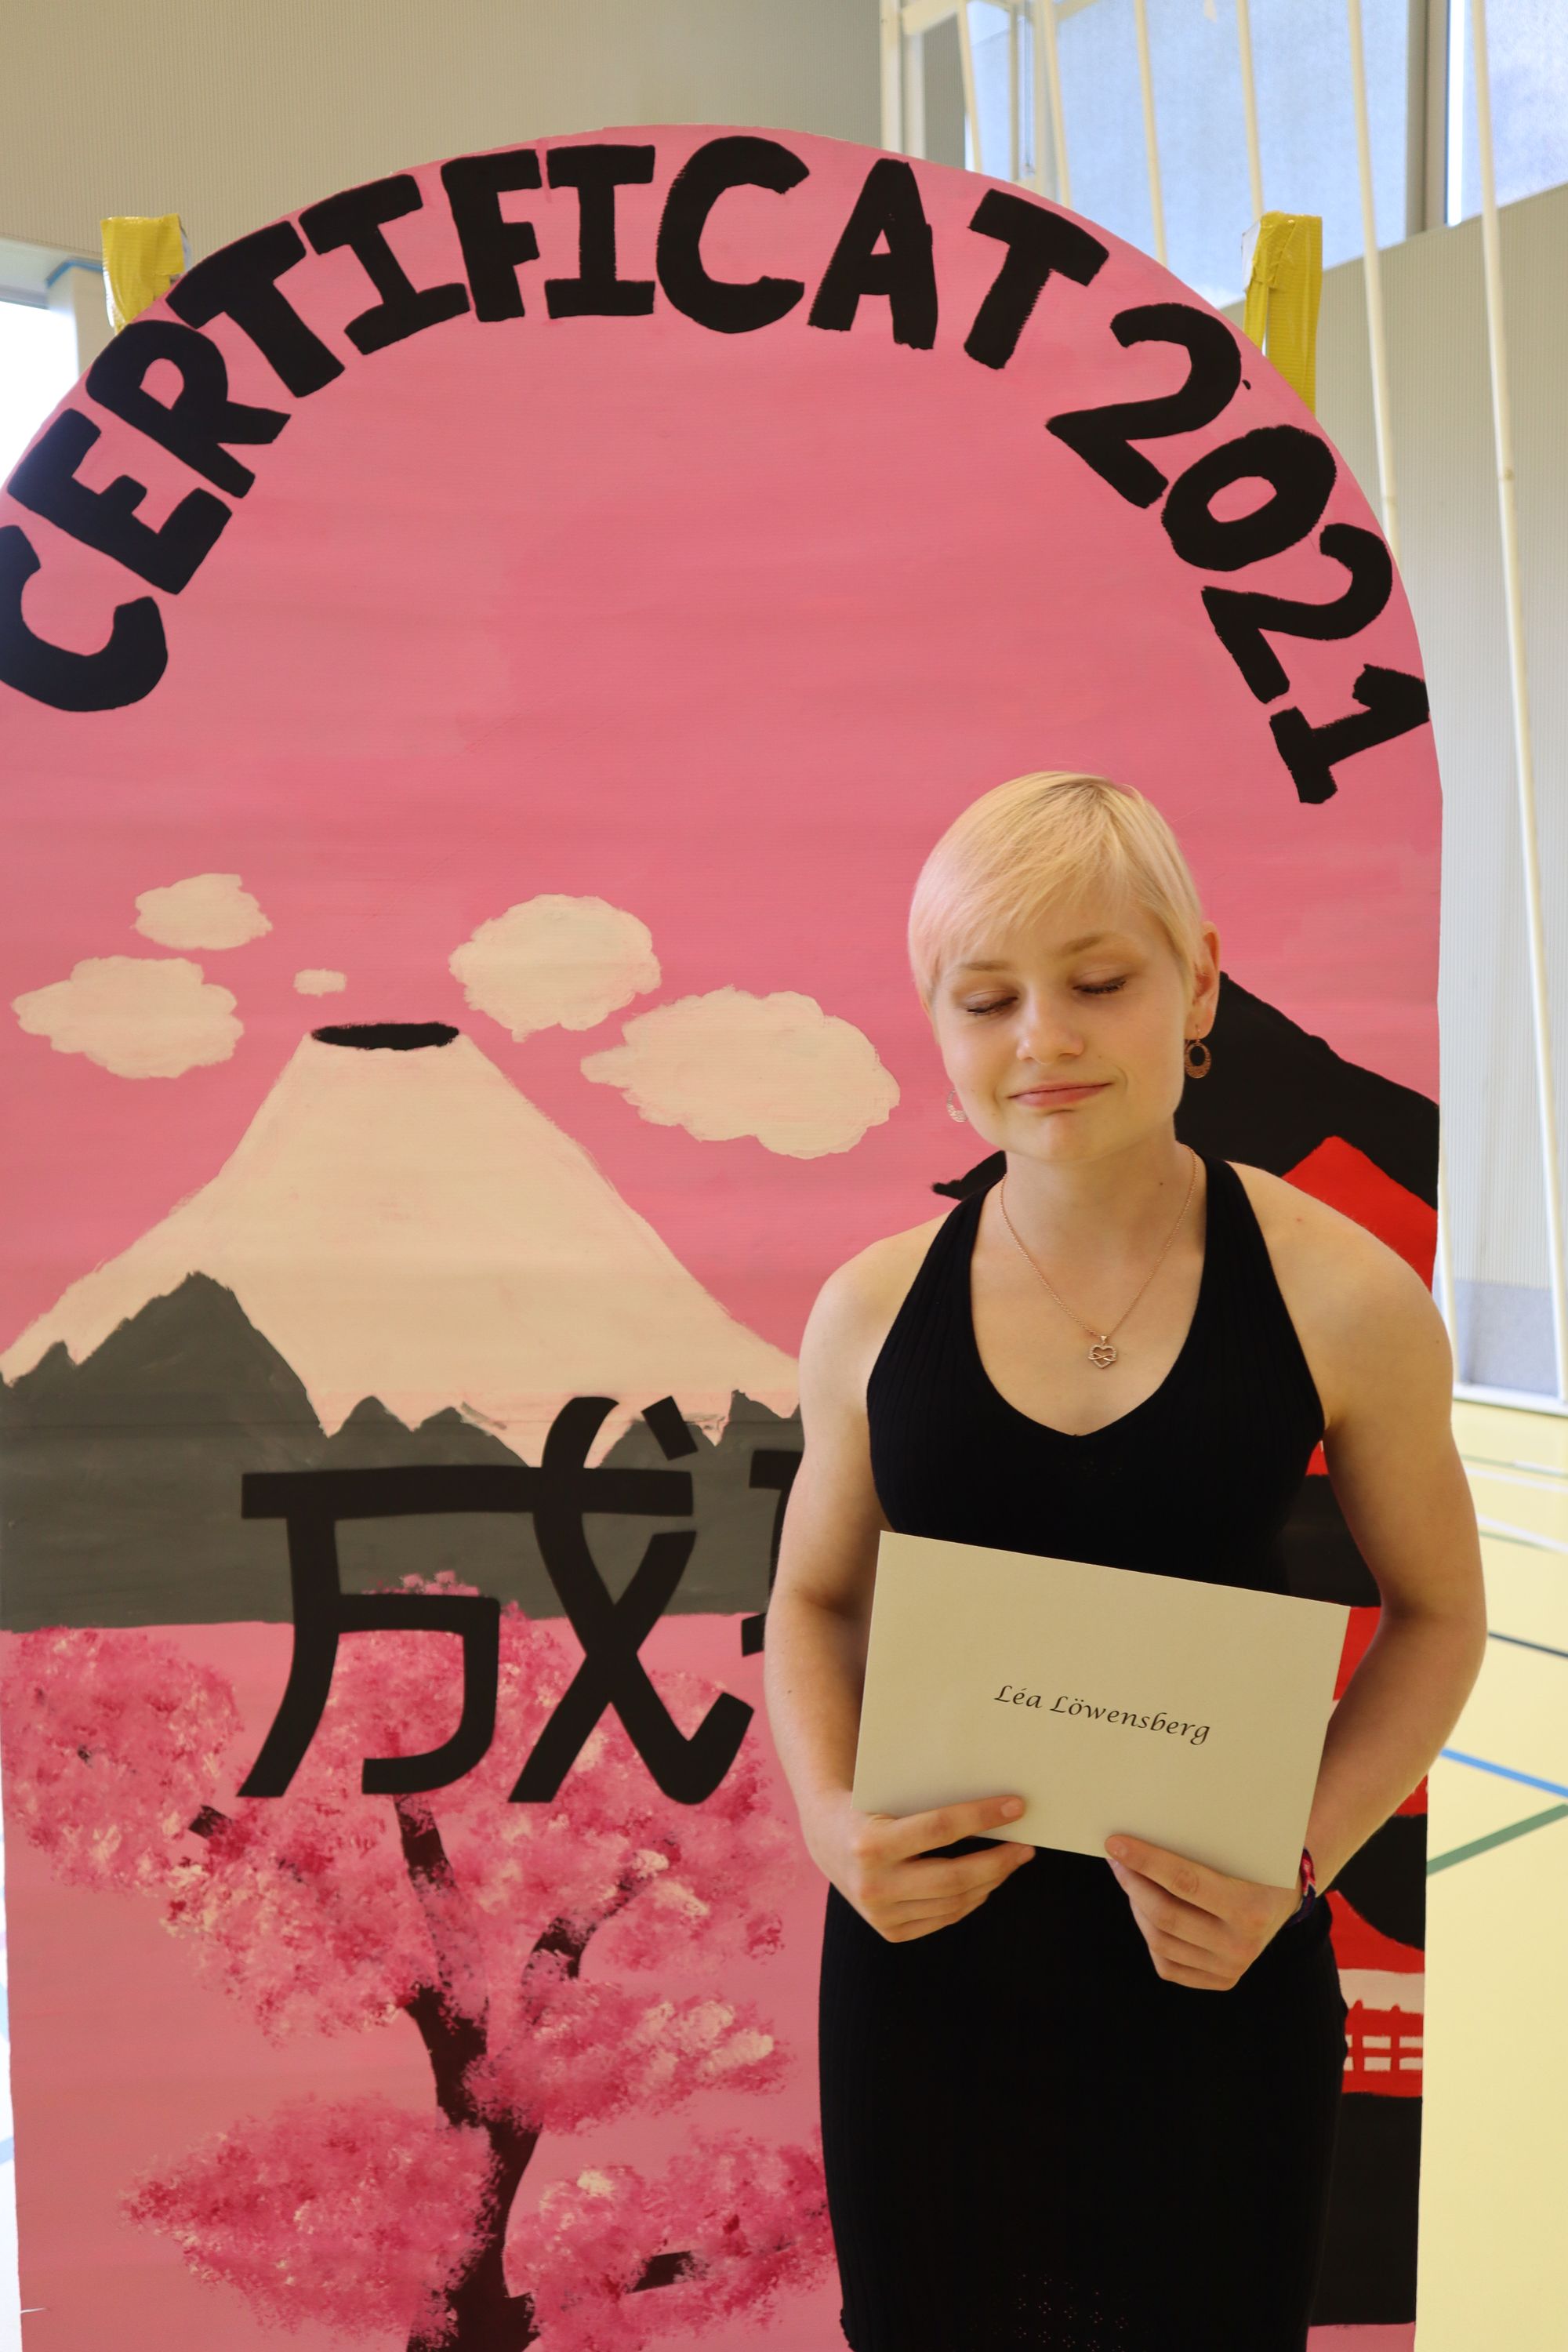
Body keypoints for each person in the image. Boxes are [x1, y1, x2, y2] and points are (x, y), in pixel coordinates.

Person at [762, 771, 1488, 2352]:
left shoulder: (1345, 1293)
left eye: (1098, 982)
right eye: (987, 1000)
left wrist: (1296, 1865)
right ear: (936, 1025)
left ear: (1200, 981)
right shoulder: (870, 1309)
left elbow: (1440, 1616)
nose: (1045, 1039)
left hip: (1216, 1971)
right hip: (928, 1978)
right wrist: (829, 1821)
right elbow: (812, 1599)